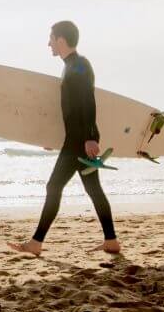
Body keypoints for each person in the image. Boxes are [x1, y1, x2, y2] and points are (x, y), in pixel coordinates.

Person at [9, 20, 120, 258]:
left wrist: (90, 137)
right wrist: (57, 137)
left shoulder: (79, 65)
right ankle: (111, 240)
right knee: (93, 189)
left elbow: (87, 102)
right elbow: (70, 111)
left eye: (51, 38)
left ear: (61, 39)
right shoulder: (70, 66)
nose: (48, 43)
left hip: (80, 140)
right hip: (76, 138)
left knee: (54, 186)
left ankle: (36, 243)